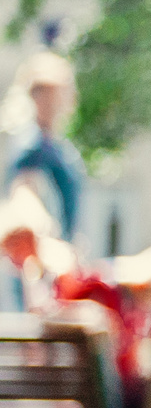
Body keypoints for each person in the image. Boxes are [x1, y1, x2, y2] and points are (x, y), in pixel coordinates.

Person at [7, 52, 85, 257]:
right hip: (44, 265)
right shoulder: (33, 145)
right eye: (45, 92)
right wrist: (42, 228)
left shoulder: (57, 146)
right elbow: (24, 190)